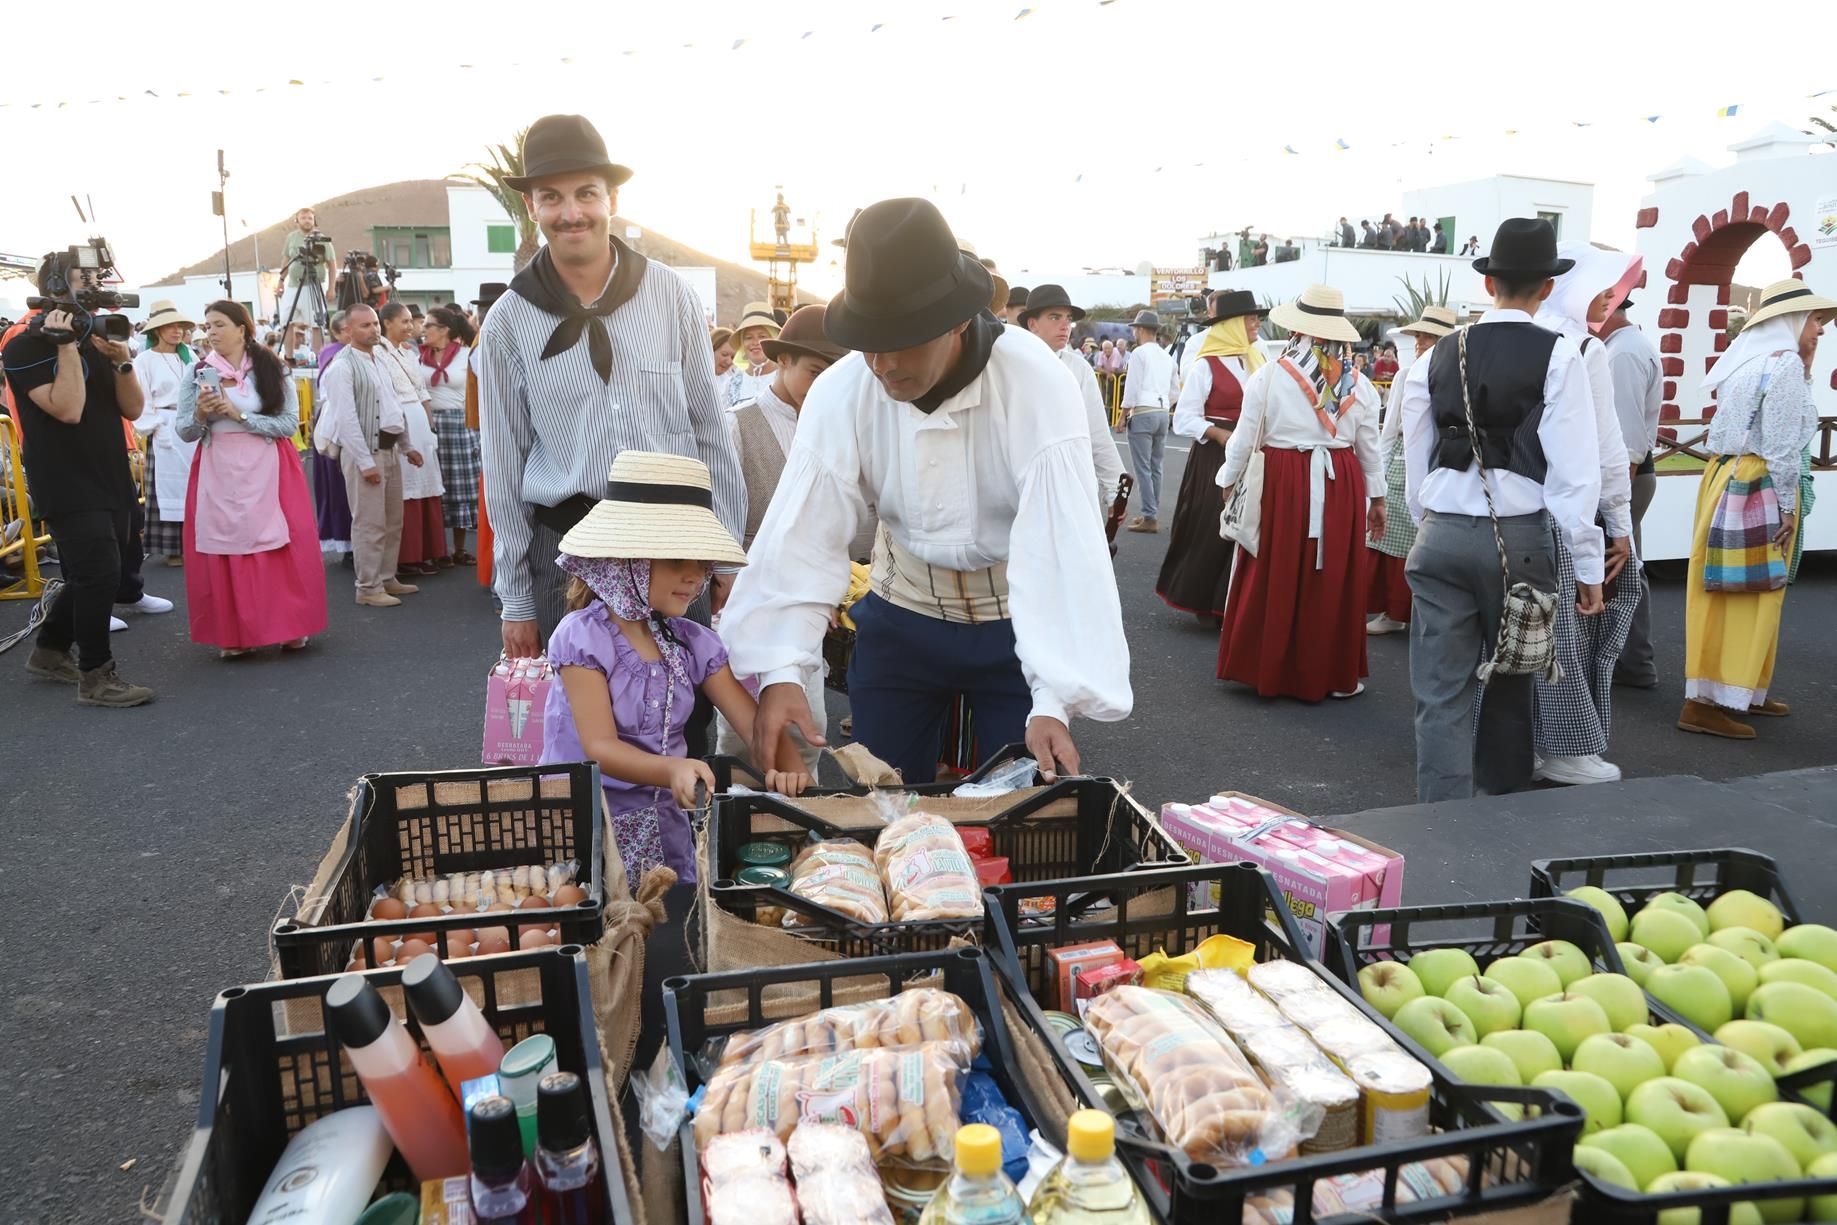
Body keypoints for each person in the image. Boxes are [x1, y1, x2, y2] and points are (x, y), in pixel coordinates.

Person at [721, 197, 1132, 784]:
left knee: (1015, 804)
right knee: (883, 801)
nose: (882, 363)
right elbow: (804, 533)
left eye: (902, 339)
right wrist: (783, 667)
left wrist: (1052, 696)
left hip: (1016, 619)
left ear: (959, 320)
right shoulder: (844, 389)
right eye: (868, 340)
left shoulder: (1037, 383)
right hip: (903, 611)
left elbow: (1062, 543)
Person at [477, 113, 745, 658]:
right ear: (532, 207)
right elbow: (503, 460)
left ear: (612, 200)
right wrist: (516, 599)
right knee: (577, 728)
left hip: (675, 543)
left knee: (680, 717)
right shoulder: (508, 320)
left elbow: (708, 429)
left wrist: (725, 552)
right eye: (551, 197)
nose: (571, 213)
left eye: (586, 194)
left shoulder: (672, 297)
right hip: (568, 548)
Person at [1400, 218, 1604, 801]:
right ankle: (1500, 823)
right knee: (1514, 680)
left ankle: (1440, 822)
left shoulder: (1435, 354)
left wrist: (1429, 525)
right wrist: (1587, 568)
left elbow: (1418, 454)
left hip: (1439, 534)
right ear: (1546, 286)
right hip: (1520, 540)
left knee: (1439, 694)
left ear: (1489, 285)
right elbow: (1573, 475)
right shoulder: (1561, 355)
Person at [542, 451, 810, 889]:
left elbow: (753, 725)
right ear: (626, 562)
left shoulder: (691, 641)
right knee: (603, 916)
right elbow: (599, 747)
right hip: (591, 816)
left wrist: (790, 767)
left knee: (665, 920)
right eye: (675, 562)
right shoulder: (583, 639)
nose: (694, 577)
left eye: (701, 563)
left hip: (663, 816)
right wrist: (671, 769)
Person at [1679, 280, 1835, 739]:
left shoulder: (1746, 362)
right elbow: (1785, 445)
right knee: (1752, 591)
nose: (1821, 331)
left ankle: (1738, 690)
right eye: (1815, 321)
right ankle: (1707, 701)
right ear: (1790, 321)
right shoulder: (1782, 365)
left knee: (1727, 588)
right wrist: (1789, 508)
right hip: (1757, 482)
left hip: (1727, 478)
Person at [1215, 285, 1383, 700]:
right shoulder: (1359, 384)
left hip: (1282, 478)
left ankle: (1266, 666)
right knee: (1331, 573)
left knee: (1275, 564)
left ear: (1297, 329)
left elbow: (1244, 438)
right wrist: (1377, 498)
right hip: (1340, 480)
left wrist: (1228, 480)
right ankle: (1328, 671)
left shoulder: (1269, 375)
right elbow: (1369, 447)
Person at [4, 261, 155, 705]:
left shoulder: (100, 339)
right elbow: (67, 408)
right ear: (53, 287)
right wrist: (67, 347)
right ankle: (96, 676)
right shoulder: (25, 344)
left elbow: (132, 410)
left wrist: (123, 363)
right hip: (63, 476)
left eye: (95, 282)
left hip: (109, 469)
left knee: (97, 572)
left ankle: (50, 651)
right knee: (98, 572)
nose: (92, 291)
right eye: (81, 282)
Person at [717, 305, 857, 769]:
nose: (824, 385)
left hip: (809, 592)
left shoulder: (844, 426)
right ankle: (734, 818)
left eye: (833, 374)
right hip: (748, 589)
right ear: (782, 361)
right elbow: (721, 515)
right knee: (739, 730)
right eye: (816, 371)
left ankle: (801, 828)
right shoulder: (738, 423)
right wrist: (727, 575)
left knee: (805, 724)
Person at [1527, 242, 1638, 786]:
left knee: (1506, 634)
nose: (1608, 299)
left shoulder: (1491, 338)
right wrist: (1618, 523)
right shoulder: (1580, 349)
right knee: (1568, 633)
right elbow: (1604, 447)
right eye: (1602, 288)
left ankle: (1508, 743)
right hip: (1564, 510)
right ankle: (1566, 747)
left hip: (1496, 510)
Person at [173, 300, 327, 657]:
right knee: (228, 545)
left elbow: (288, 423)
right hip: (219, 467)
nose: (210, 332)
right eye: (207, 326)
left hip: (268, 464)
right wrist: (200, 413)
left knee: (279, 542)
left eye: (219, 325)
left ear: (241, 328)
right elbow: (183, 431)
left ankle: (290, 626)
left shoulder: (270, 367)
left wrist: (239, 415)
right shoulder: (196, 371)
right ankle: (236, 634)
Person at [1158, 289, 1266, 622]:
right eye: (1250, 319)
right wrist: (1220, 435)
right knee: (1212, 525)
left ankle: (1235, 602)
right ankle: (1206, 599)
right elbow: (1184, 417)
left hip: (1250, 453)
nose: (1255, 325)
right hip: (1213, 457)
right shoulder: (1206, 364)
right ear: (1233, 323)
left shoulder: (1257, 358)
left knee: (1249, 524)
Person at [315, 304, 417, 607]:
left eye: (375, 324)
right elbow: (346, 420)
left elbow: (392, 408)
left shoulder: (380, 360)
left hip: (388, 448)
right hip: (365, 452)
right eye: (365, 326)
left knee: (392, 521)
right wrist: (364, 461)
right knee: (369, 523)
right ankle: (368, 586)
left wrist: (407, 446)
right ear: (348, 330)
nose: (373, 330)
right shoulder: (341, 366)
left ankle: (386, 577)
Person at [1366, 306, 1456, 635]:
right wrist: (1379, 472)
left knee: (1429, 541)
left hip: (1444, 462)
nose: (1419, 341)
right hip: (1406, 462)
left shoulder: (1457, 372)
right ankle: (1394, 612)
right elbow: (1390, 431)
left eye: (1428, 336)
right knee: (1395, 541)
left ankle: (1418, 613)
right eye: (1419, 335)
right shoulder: (1407, 374)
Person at [1600, 292, 1664, 688]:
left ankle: (1634, 662)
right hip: (1630, 477)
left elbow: (1627, 442)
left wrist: (1614, 504)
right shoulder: (1625, 347)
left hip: (1628, 477)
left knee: (1619, 569)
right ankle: (1634, 660)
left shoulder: (1621, 354)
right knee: (1626, 569)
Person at [1019, 284, 1125, 514]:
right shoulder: (1011, 365)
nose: (1065, 324)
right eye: (1055, 317)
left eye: (1068, 318)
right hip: (1019, 485)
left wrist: (1114, 490)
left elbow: (1097, 433)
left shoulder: (1079, 368)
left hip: (1070, 482)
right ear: (1032, 324)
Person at [376, 301, 444, 577]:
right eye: (403, 321)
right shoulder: (379, 354)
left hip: (419, 421)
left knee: (427, 485)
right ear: (388, 323)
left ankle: (429, 551)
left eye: (410, 321)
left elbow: (422, 392)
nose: (409, 326)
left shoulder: (410, 353)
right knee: (404, 489)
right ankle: (405, 556)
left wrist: (429, 424)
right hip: (399, 421)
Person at [132, 301, 199, 567]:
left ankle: (196, 541)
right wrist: (155, 426)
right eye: (170, 326)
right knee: (167, 486)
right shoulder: (144, 360)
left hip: (191, 423)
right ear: (157, 330)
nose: (177, 331)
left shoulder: (190, 356)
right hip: (163, 423)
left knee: (195, 482)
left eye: (180, 326)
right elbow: (142, 396)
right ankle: (172, 548)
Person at [421, 304, 480, 566]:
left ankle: (458, 548)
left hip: (458, 423)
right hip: (428, 423)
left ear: (444, 330)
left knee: (460, 487)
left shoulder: (465, 355)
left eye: (428, 326)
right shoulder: (417, 357)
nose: (422, 331)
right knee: (432, 486)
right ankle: (437, 549)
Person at [1122, 309, 1175, 532]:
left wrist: (1122, 415)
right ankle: (1150, 511)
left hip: (1143, 411)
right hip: (1162, 412)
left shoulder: (1139, 353)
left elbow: (1132, 388)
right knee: (1156, 467)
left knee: (1142, 467)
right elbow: (1175, 391)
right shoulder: (1167, 356)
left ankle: (1149, 516)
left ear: (1141, 329)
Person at [312, 312, 355, 559]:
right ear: (338, 332)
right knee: (340, 485)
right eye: (347, 329)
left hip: (345, 416)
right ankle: (347, 542)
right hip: (337, 420)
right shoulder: (335, 355)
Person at [281, 207, 335, 349]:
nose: (307, 221)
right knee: (286, 322)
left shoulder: (322, 239)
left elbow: (332, 264)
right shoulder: (291, 237)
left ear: (314, 221)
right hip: (292, 285)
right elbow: (286, 259)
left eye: (310, 218)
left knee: (316, 324)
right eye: (304, 218)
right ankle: (289, 357)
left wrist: (331, 288)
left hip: (312, 285)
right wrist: (281, 280)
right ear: (297, 220)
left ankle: (319, 357)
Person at [722, 303, 780, 409]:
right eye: (748, 337)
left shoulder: (784, 378)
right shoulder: (731, 384)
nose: (755, 342)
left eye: (762, 336)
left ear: (773, 338)